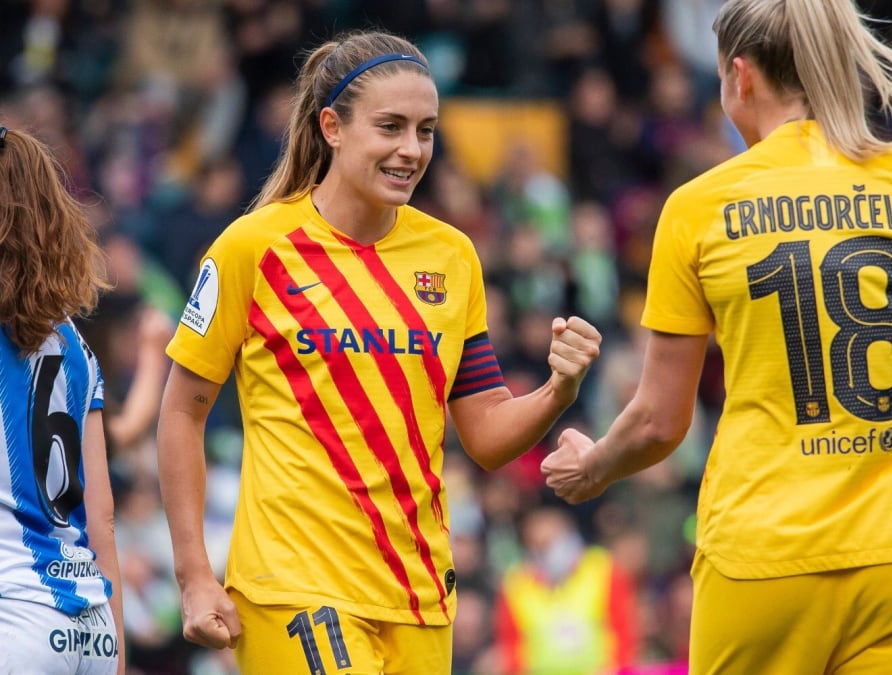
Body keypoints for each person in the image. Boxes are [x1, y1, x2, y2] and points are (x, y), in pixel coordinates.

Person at [542, 1, 892, 673]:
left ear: (739, 76)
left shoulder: (698, 207)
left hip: (764, 557)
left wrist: (594, 464)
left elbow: (661, 422)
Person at [156, 30, 601, 675]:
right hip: (295, 590)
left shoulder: (453, 255)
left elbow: (486, 435)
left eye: (425, 130)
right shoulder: (251, 247)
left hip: (420, 595)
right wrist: (195, 574)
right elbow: (181, 412)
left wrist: (558, 390)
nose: (411, 150)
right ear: (331, 127)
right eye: (390, 127)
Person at [0, 126, 125, 673]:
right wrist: (117, 647)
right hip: (91, 625)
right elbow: (102, 516)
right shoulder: (75, 345)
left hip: (13, 617)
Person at [493, 507, 638, 675]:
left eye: (550, 542)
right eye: (538, 546)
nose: (547, 552)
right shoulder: (516, 585)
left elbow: (625, 629)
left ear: (570, 536)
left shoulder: (603, 569)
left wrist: (618, 668)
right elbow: (510, 645)